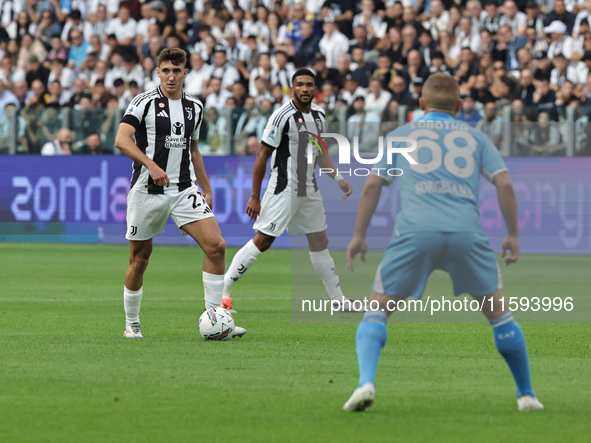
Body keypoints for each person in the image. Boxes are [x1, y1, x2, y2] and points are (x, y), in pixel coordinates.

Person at [343, 73, 543, 412]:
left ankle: (366, 383)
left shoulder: (401, 135)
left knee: (377, 310)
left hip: (416, 232)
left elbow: (373, 185)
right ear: (460, 106)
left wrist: (359, 235)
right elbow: (505, 186)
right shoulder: (475, 136)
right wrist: (513, 235)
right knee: (500, 316)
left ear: (421, 105)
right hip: (466, 233)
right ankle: (526, 395)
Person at [114, 48, 246, 339]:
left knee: (217, 246)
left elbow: (194, 149)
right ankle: (132, 323)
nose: (171, 76)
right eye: (166, 70)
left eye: (177, 70)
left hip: (184, 189)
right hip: (148, 190)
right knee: (140, 261)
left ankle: (216, 319)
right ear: (158, 72)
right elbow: (121, 140)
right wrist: (150, 165)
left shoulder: (194, 107)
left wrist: (206, 186)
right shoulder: (143, 103)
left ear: (186, 72)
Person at [222, 68, 356, 312]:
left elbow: (319, 152)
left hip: (310, 189)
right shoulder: (281, 116)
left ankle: (339, 301)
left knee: (319, 239)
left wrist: (338, 178)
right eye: (300, 84)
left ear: (315, 89)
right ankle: (223, 294)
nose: (305, 89)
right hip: (284, 188)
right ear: (292, 88)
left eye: (309, 85)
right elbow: (262, 156)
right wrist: (254, 196)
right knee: (263, 241)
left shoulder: (319, 114)